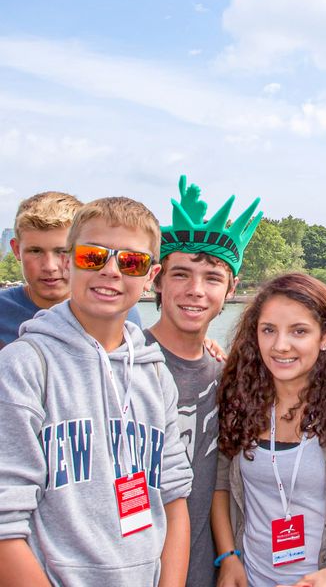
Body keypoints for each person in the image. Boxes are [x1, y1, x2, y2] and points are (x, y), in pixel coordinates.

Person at [0, 196, 193, 586]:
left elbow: (174, 499)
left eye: (131, 262)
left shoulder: (155, 375)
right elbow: (5, 520)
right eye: (93, 256)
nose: (110, 271)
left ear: (150, 275)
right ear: (70, 261)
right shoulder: (23, 366)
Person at [211, 273, 326, 587]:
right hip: (250, 577)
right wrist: (228, 557)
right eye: (269, 330)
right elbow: (221, 483)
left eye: (299, 331)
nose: (280, 345)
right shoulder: (238, 397)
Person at [144, 175, 261, 587]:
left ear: (231, 289)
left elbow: (224, 476)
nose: (196, 291)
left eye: (212, 277)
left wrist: (228, 555)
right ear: (156, 279)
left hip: (205, 570)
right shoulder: (120, 363)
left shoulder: (228, 376)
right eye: (181, 275)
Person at [0, 190, 141, 350]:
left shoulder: (120, 312)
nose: (50, 266)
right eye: (35, 251)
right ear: (16, 249)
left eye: (63, 251)